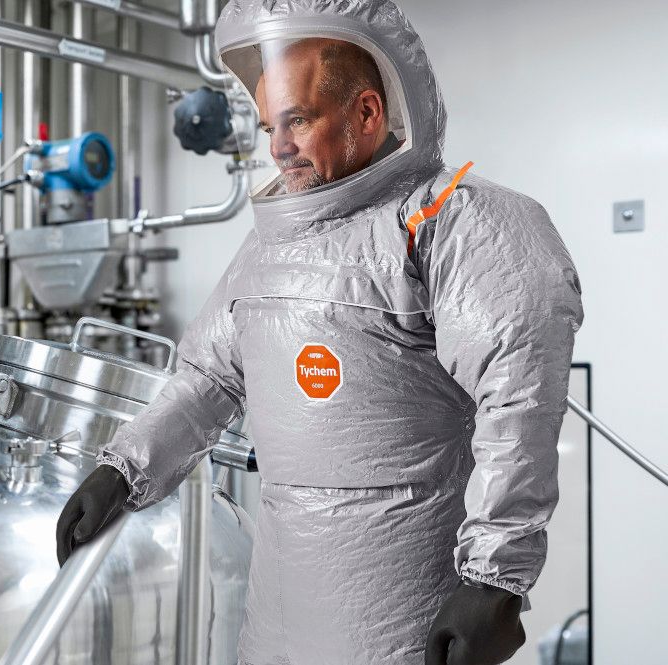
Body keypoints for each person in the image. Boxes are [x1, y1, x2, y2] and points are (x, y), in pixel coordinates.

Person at [56, 1, 583, 663]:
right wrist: (122, 471)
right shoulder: (269, 247)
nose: (277, 146)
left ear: (366, 113)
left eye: (297, 121)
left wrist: (493, 578)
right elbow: (208, 379)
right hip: (276, 615)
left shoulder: (448, 220)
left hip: (401, 610)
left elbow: (518, 397)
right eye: (270, 124)